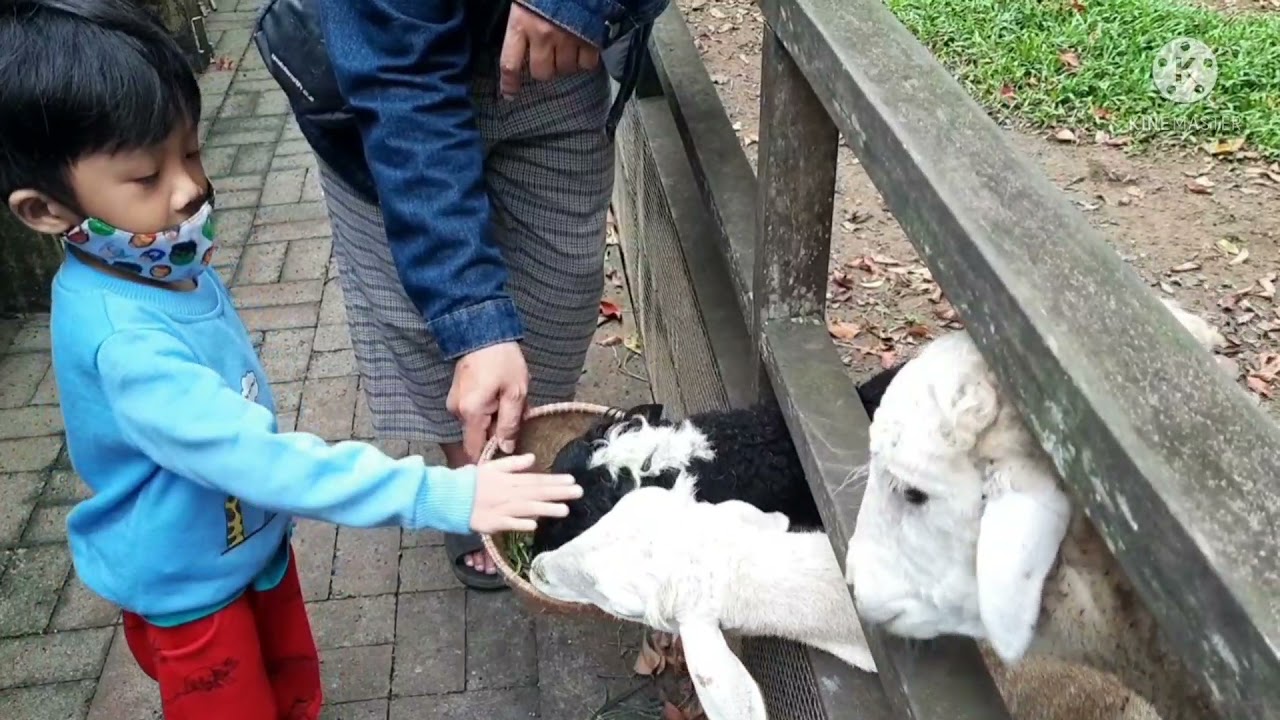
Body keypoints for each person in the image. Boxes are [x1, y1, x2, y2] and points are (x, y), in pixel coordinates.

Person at [0, 1, 582, 717]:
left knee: (290, 679)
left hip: (248, 541)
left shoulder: (153, 264)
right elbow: (259, 459)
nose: (189, 190)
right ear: (44, 210)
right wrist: (446, 495)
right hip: (191, 590)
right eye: (146, 178)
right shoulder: (126, 343)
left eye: (192, 152)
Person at [254, 0, 666, 588]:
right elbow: (398, 80)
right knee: (418, 317)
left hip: (561, 60)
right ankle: (472, 485)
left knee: (562, 292)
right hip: (380, 76)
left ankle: (529, 463)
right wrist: (473, 321)